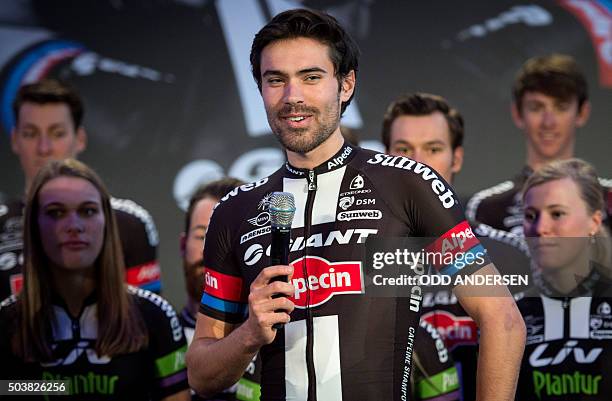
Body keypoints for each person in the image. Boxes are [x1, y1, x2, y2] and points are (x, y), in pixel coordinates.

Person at [186, 8, 525, 401]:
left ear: (346, 85)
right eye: (275, 79)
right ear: (260, 89)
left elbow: (502, 320)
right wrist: (248, 335)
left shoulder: (408, 184)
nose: (292, 96)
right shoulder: (234, 212)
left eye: (311, 77)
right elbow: (201, 374)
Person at [0, 159, 189, 400]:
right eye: (55, 213)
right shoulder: (6, 324)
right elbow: (7, 388)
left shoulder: (155, 316)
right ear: (33, 227)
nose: (74, 225)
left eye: (87, 211)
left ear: (107, 223)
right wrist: (63, 388)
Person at [383, 92, 530, 401]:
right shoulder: (359, 256)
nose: (417, 164)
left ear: (457, 158)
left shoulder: (510, 255)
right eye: (403, 149)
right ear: (385, 157)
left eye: (433, 149)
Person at [0, 79, 161, 301]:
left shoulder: (128, 223)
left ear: (81, 139)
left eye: (57, 133)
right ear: (15, 140)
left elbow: (147, 323)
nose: (44, 148)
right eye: (31, 133)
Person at [466, 54, 612, 236]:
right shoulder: (486, 208)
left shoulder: (609, 200)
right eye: (536, 108)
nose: (548, 122)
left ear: (582, 113)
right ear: (518, 114)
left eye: (561, 107)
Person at [515, 158, 612, 400]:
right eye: (530, 215)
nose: (540, 228)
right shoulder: (511, 315)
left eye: (557, 213)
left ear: (594, 222)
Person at [180, 177, 245, 401]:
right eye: (202, 235)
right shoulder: (157, 334)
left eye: (232, 236)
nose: (214, 251)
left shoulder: (278, 341)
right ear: (182, 244)